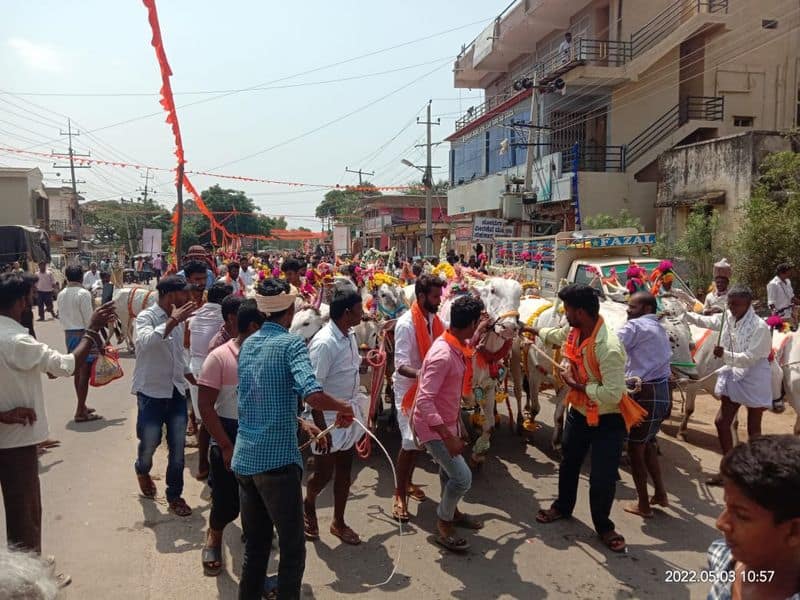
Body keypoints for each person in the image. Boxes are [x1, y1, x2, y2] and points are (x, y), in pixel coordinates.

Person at [233, 278, 354, 600]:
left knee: (256, 546)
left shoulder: (248, 345)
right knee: (292, 549)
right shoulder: (291, 345)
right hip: (276, 464)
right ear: (289, 311)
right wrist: (343, 406)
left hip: (245, 460)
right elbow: (312, 393)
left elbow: (258, 399)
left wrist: (303, 422)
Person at [0, 272, 114, 577]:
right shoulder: (16, 340)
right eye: (32, 295)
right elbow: (65, 366)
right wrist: (91, 332)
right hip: (15, 442)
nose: (36, 299)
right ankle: (30, 580)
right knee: (26, 514)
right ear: (23, 300)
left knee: (21, 510)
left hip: (13, 435)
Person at [533, 284, 630, 553]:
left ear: (582, 312)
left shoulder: (608, 347)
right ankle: (563, 507)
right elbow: (557, 335)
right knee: (568, 462)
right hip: (578, 413)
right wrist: (533, 330)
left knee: (602, 476)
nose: (564, 314)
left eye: (567, 310)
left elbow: (613, 394)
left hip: (607, 420)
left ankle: (604, 526)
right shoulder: (576, 331)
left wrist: (577, 386)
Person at [411, 295, 485, 553]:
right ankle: (444, 523)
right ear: (472, 322)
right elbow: (424, 400)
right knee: (462, 478)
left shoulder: (455, 343)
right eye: (478, 323)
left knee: (448, 473)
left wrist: (457, 425)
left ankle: (452, 512)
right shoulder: (443, 354)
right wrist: (447, 435)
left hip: (447, 420)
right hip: (432, 428)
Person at [197, 299, 265, 577]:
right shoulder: (220, 357)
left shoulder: (265, 355)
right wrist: (225, 445)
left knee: (259, 498)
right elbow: (205, 407)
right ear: (252, 327)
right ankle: (214, 536)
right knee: (226, 502)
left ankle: (255, 538)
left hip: (258, 434)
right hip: (228, 432)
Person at [683, 285, 773, 485]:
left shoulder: (760, 327)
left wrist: (724, 355)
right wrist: (686, 315)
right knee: (722, 422)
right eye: (729, 304)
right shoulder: (728, 318)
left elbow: (750, 358)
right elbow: (706, 320)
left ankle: (755, 473)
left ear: (748, 304)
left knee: (753, 428)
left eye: (736, 304)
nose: (731, 308)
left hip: (754, 378)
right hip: (733, 374)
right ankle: (729, 471)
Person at [303, 288, 368, 546]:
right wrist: (321, 431)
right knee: (323, 475)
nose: (362, 313)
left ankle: (338, 522)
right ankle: (309, 504)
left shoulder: (349, 335)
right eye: (359, 309)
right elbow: (313, 391)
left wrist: (365, 362)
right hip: (327, 420)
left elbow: (348, 368)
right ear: (346, 313)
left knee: (344, 471)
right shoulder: (324, 343)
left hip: (347, 415)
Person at [131, 275, 198, 517]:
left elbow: (179, 356)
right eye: (185, 294)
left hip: (176, 392)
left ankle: (174, 495)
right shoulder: (146, 318)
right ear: (170, 295)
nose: (189, 298)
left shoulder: (178, 321)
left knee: (177, 449)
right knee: (150, 443)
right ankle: (142, 469)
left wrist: (194, 379)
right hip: (151, 393)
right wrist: (172, 320)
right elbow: (146, 342)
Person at [707, 435, 800, 600]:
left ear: (794, 531)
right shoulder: (721, 556)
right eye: (726, 506)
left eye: (741, 515)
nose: (721, 523)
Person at [391, 274, 445, 522]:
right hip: (408, 390)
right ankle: (399, 494)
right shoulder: (405, 324)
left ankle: (409, 483)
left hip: (427, 389)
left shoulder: (433, 319)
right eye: (435, 296)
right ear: (421, 297)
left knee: (418, 444)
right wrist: (425, 373)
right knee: (410, 441)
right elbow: (400, 365)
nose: (439, 300)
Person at [616, 292, 672, 519]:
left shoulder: (634, 327)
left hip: (643, 393)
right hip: (662, 392)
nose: (628, 310)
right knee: (648, 443)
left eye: (633, 307)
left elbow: (610, 346)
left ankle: (643, 505)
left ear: (647, 309)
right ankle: (660, 493)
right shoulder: (659, 328)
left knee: (635, 450)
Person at [187, 282, 232, 481]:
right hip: (216, 366)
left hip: (195, 366)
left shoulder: (194, 317)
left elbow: (185, 343)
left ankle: (204, 463)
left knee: (204, 417)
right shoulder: (225, 318)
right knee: (216, 416)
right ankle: (213, 461)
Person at [56, 265, 102, 423]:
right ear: (81, 277)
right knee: (84, 373)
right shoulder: (83, 294)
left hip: (69, 334)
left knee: (78, 372)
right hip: (84, 334)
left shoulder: (61, 294)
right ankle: (80, 411)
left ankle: (82, 406)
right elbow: (90, 320)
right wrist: (99, 341)